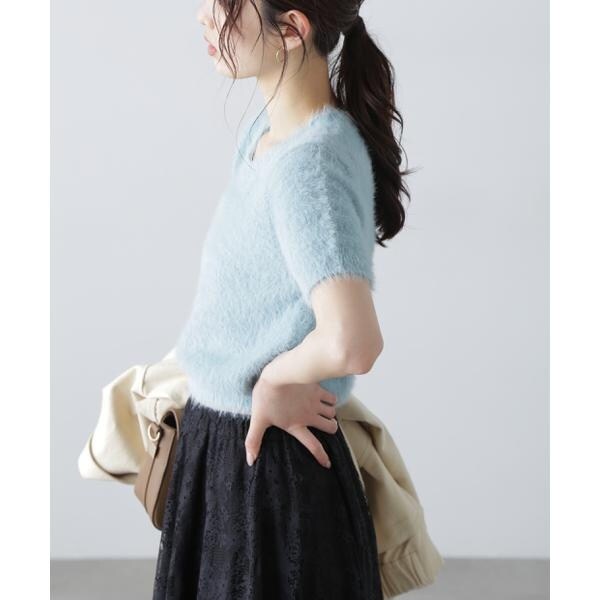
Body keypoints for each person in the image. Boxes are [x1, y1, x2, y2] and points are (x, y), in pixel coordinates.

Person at [152, 0, 411, 598]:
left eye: (226, 4)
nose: (203, 17)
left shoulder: (307, 163)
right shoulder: (268, 137)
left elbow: (353, 340)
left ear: (291, 29)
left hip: (267, 469)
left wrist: (271, 379)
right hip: (237, 452)